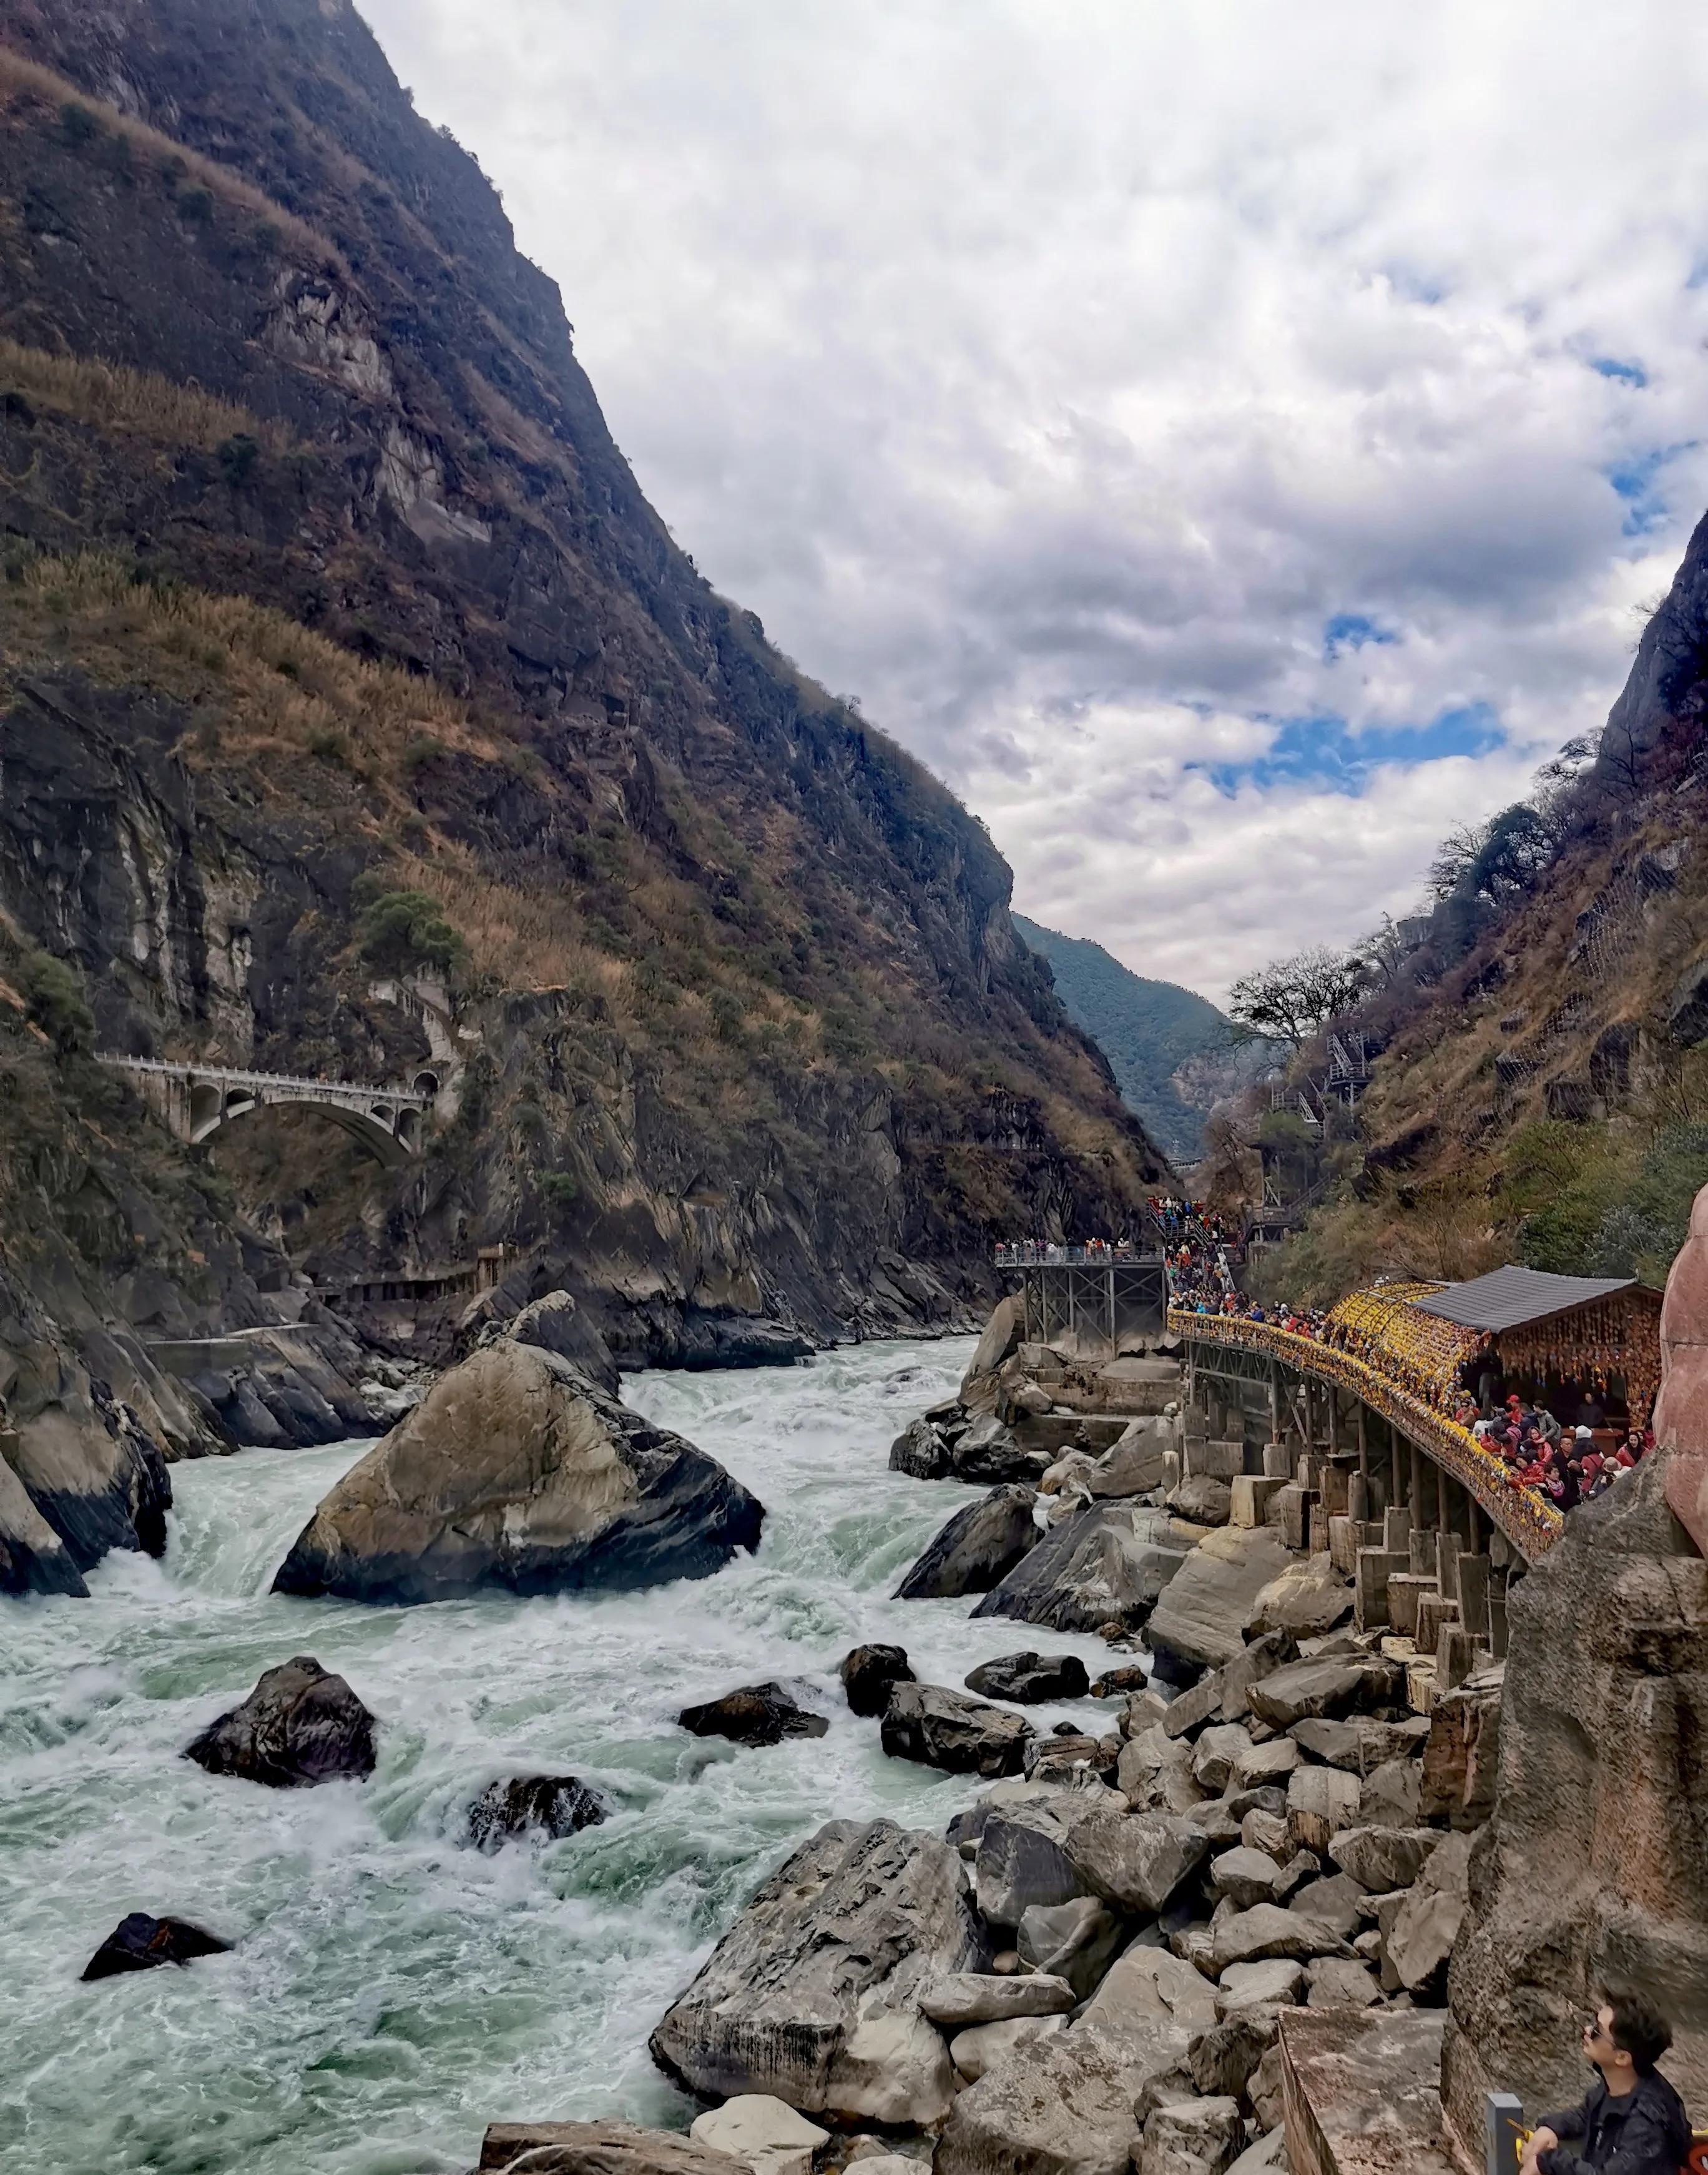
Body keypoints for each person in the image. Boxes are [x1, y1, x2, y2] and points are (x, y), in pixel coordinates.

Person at [1519, 1991, 1690, 2175]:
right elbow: (1587, 2114)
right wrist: (1551, 2127)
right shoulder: (1621, 2084)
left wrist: (1547, 2162)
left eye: (1597, 2031)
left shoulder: (1647, 2125)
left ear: (1622, 2057)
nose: (1587, 2030)